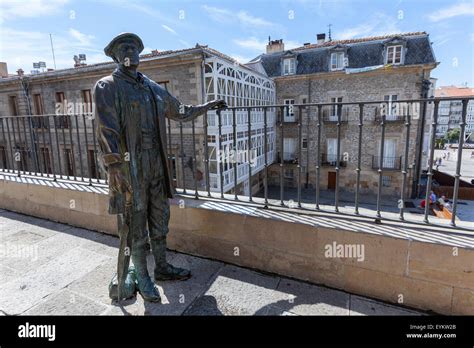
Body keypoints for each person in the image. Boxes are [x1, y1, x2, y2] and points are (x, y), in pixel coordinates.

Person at [95, 33, 226, 302]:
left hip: (156, 162)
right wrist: (114, 167)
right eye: (125, 48)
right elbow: (105, 129)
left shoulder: (151, 87)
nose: (131, 51)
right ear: (116, 56)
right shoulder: (107, 87)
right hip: (131, 165)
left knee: (160, 217)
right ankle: (143, 276)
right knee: (136, 222)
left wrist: (208, 106)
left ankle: (162, 267)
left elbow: (180, 111)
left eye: (134, 47)